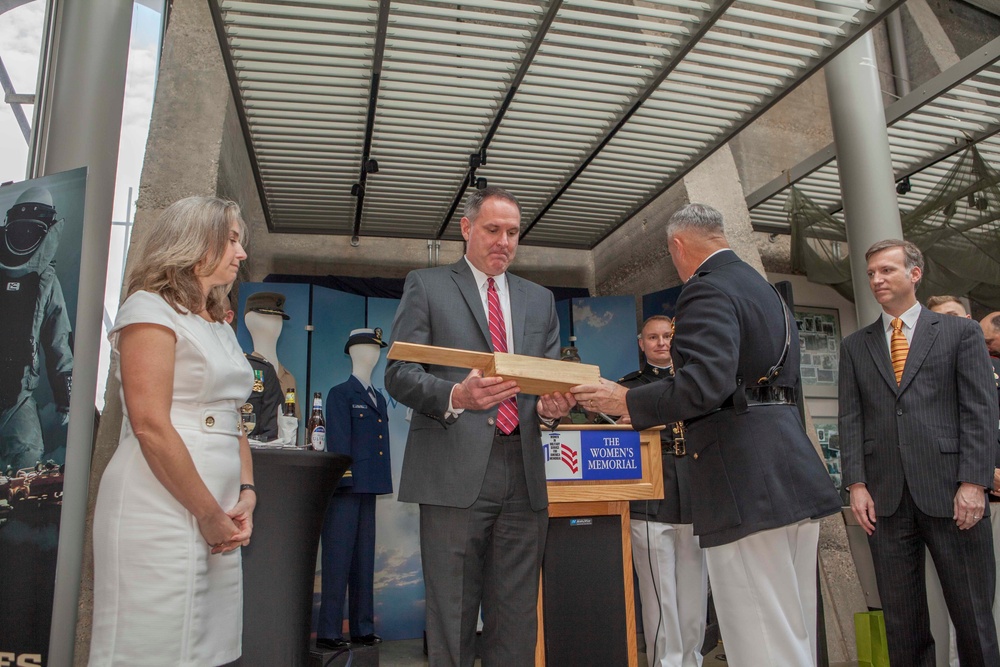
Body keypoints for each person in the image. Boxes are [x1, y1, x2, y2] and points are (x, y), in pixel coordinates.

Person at [571, 203, 841, 667]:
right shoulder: (766, 291)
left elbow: (705, 383)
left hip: (743, 478)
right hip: (790, 469)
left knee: (758, 632)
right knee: (792, 627)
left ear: (678, 246)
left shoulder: (705, 290)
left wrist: (627, 402)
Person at [384, 185, 575, 667]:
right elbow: (399, 374)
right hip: (452, 470)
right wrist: (455, 395)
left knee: (516, 620)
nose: (504, 241)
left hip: (524, 471)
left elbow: (546, 383)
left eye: (513, 232)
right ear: (467, 228)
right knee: (452, 615)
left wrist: (553, 408)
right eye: (493, 229)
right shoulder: (426, 286)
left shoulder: (541, 299)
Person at [90, 196, 257, 666]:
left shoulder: (218, 322)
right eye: (230, 240)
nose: (240, 254)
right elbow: (149, 425)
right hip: (157, 503)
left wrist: (246, 491)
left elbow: (232, 416)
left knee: (205, 649)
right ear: (195, 244)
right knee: (150, 645)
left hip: (218, 505)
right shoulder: (148, 309)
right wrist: (206, 512)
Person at [840, 239, 999, 667]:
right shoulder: (855, 346)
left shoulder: (960, 333)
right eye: (871, 272)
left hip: (953, 494)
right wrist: (856, 483)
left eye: (887, 270)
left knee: (973, 616)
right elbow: (851, 419)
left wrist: (974, 483)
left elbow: (980, 412)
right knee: (901, 622)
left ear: (914, 274)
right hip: (885, 501)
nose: (876, 279)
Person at [618, 315, 706, 667]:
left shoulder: (698, 383)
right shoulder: (628, 389)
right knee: (659, 598)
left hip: (696, 493)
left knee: (694, 596)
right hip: (650, 498)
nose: (661, 343)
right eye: (652, 337)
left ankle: (692, 660)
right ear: (641, 344)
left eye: (667, 336)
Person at [318, 327, 393, 650]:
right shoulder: (341, 394)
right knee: (337, 560)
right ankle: (329, 631)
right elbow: (338, 444)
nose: (373, 355)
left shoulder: (377, 397)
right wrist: (345, 479)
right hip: (346, 490)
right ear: (353, 352)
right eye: (368, 349)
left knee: (364, 560)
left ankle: (362, 627)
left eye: (377, 350)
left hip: (369, 486)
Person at [0, 186, 74, 472]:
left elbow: (59, 342)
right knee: (28, 454)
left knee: (28, 458)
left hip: (17, 394)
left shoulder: (46, 281)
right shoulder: (46, 281)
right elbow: (59, 345)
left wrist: (66, 400)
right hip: (18, 392)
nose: (25, 236)